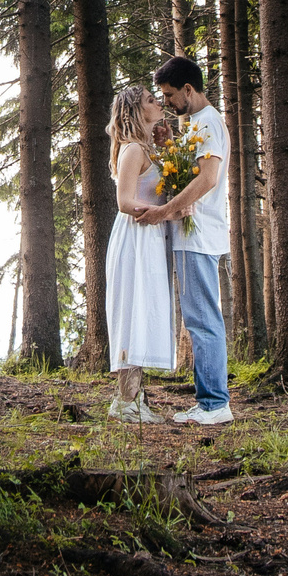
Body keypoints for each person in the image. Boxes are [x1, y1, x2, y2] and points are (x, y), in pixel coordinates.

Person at [152, 55, 234, 424]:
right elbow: (190, 172)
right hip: (193, 234)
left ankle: (214, 405)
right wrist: (171, 145)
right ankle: (209, 402)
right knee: (199, 319)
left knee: (202, 320)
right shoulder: (195, 123)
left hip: (197, 235)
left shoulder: (207, 121)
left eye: (169, 95)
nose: (166, 102)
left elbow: (208, 178)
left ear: (188, 89)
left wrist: (168, 210)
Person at [104, 84, 177, 421]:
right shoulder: (132, 150)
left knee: (144, 313)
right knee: (133, 313)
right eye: (150, 99)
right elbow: (124, 202)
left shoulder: (147, 148)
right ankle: (126, 402)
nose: (158, 102)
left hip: (149, 236)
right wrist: (167, 212)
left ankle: (135, 398)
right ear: (136, 110)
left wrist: (169, 145)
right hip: (134, 237)